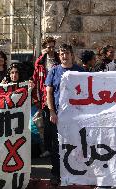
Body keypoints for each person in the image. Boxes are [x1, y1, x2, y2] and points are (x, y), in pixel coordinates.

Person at [45, 44, 84, 185]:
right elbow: (48, 92)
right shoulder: (54, 71)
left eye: (66, 53)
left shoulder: (80, 71)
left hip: (76, 115)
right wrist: (51, 111)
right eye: (61, 54)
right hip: (58, 115)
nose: (64, 56)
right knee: (57, 145)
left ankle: (77, 172)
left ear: (72, 54)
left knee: (77, 143)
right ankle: (56, 173)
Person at [32, 36, 60, 158]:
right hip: (45, 96)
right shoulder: (40, 62)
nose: (51, 49)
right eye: (49, 47)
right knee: (48, 124)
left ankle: (59, 147)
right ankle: (49, 148)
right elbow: (36, 80)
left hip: (58, 95)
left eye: (53, 46)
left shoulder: (59, 60)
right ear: (45, 48)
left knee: (58, 124)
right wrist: (36, 98)